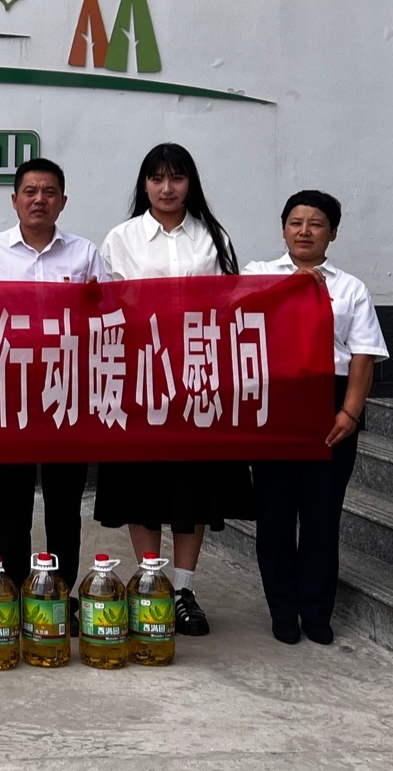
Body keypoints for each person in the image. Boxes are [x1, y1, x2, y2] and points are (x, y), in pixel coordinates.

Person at [94, 142, 249, 637]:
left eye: (176, 178)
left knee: (191, 485)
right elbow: (107, 309)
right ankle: (150, 584)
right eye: (157, 178)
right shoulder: (121, 239)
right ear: (144, 185)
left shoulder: (213, 237)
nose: (166, 188)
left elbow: (229, 307)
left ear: (190, 184)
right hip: (140, 380)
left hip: (197, 381)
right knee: (142, 483)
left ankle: (184, 589)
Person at [244, 190, 386, 645]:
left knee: (323, 514)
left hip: (332, 401)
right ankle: (283, 611)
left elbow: (363, 355)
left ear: (333, 233)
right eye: (296, 222)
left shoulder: (351, 289)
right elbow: (235, 322)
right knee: (275, 514)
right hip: (276, 401)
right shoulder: (257, 274)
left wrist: (351, 412)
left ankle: (317, 611)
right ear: (283, 229)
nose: (304, 231)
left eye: (316, 224)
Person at [0, 157, 99, 624]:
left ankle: (58, 594)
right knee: (12, 496)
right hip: (9, 391)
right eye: (30, 191)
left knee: (64, 499)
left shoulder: (85, 254)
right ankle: (16, 590)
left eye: (49, 192)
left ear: (63, 201)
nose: (39, 200)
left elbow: (106, 317)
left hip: (68, 392)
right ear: (15, 199)